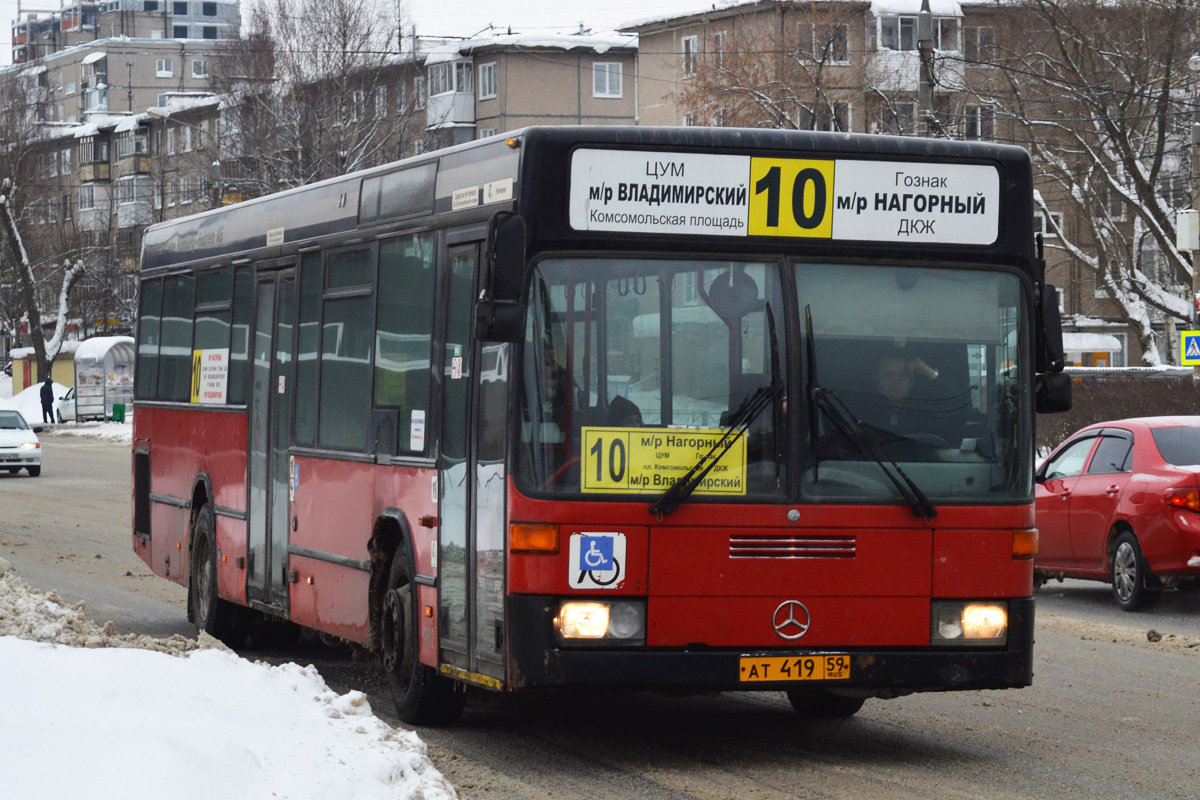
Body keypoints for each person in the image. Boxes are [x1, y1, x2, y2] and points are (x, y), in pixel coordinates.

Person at [863, 353, 938, 434]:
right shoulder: (863, 414)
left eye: (903, 375)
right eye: (889, 375)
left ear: (911, 382)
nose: (896, 381)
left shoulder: (925, 413)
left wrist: (932, 374)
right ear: (877, 381)